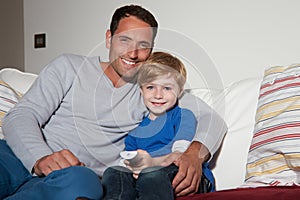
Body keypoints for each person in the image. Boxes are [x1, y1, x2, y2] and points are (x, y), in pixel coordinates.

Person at [1, 4, 227, 200]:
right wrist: (41, 157)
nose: (133, 52)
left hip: (73, 178)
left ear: (150, 51)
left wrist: (193, 155)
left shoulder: (150, 89)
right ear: (109, 38)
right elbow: (22, 114)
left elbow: (211, 119)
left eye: (143, 45)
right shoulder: (69, 66)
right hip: (18, 158)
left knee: (85, 185)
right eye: (125, 40)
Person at [102, 52, 215, 200]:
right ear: (141, 90)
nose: (158, 95)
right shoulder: (137, 129)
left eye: (167, 88)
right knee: (113, 173)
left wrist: (151, 163)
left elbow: (178, 153)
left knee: (151, 175)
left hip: (178, 172)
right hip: (146, 176)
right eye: (150, 87)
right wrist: (131, 166)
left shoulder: (182, 115)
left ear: (180, 91)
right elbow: (128, 157)